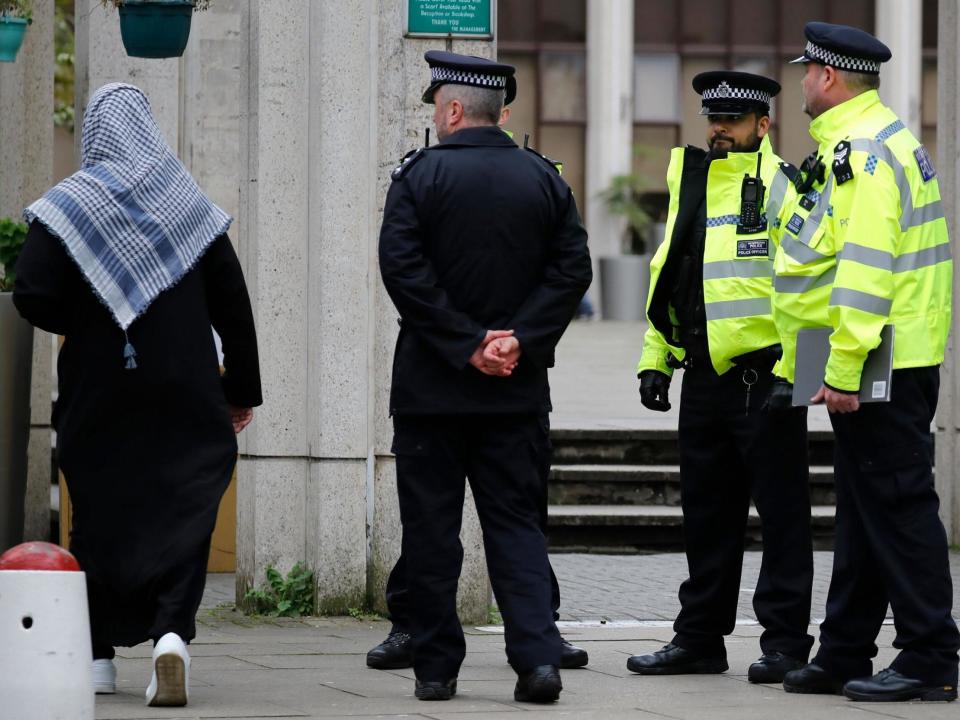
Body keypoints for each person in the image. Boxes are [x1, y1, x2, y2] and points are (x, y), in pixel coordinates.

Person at [13, 83, 261, 708]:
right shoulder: (188, 204)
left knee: (97, 509)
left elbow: (32, 294)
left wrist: (94, 314)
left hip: (100, 385)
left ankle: (96, 656)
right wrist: (240, 391)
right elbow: (233, 304)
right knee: (184, 507)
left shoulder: (68, 207)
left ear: (97, 134)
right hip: (185, 382)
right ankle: (171, 635)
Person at [378, 50, 592, 703]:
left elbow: (403, 271)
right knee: (516, 527)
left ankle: (437, 669)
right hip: (515, 394)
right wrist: (517, 341)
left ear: (450, 110)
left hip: (431, 395)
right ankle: (537, 662)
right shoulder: (544, 178)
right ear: (498, 112)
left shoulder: (418, 178)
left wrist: (467, 345)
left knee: (432, 532)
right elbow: (571, 272)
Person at [769, 22, 958, 702]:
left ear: (828, 78)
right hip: (884, 353)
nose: (801, 85)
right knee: (865, 509)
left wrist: (842, 371)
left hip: (880, 357)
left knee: (899, 507)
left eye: (807, 74)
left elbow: (865, 273)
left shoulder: (864, 155)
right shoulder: (880, 141)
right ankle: (845, 648)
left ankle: (932, 655)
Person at [626, 71, 814, 683]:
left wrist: (802, 378)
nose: (718, 129)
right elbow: (670, 277)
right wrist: (657, 359)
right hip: (704, 377)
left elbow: (818, 285)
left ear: (763, 125)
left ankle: (785, 643)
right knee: (706, 516)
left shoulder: (788, 188)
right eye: (713, 117)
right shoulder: (695, 183)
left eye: (732, 119)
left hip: (768, 379)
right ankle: (700, 639)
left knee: (783, 519)